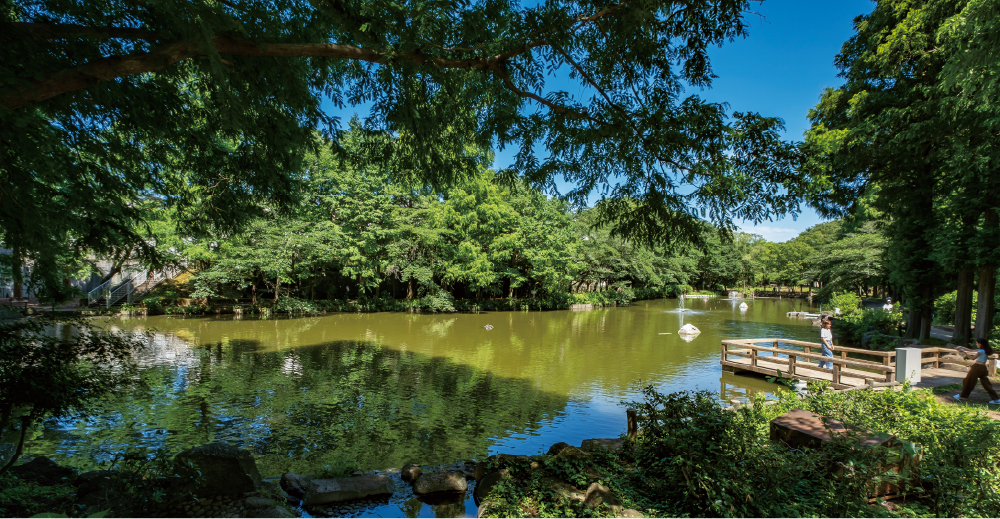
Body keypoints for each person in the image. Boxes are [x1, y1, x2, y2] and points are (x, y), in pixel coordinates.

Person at [954, 338, 1000, 404]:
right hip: (983, 368)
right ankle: (996, 399)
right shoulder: (985, 350)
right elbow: (971, 350)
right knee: (987, 384)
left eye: (977, 343)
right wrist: (961, 347)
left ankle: (963, 396)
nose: (976, 344)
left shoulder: (980, 351)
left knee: (968, 381)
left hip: (977, 367)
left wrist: (964, 352)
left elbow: (973, 358)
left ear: (980, 344)